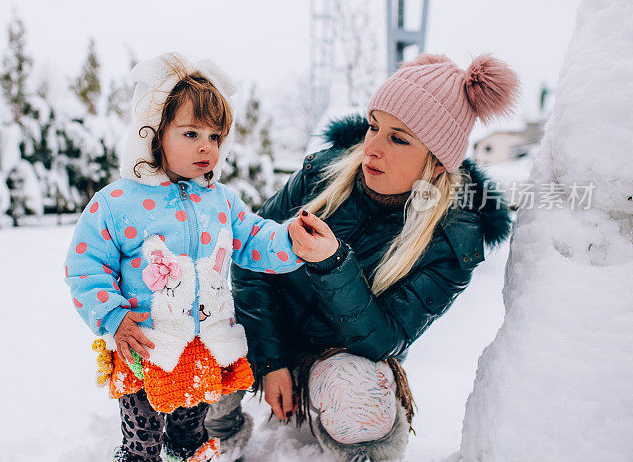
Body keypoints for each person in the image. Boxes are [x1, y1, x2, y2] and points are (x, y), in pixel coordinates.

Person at [205, 53, 518, 461]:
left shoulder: (453, 240)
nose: (372, 148)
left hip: (341, 362)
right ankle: (214, 438)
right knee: (199, 332)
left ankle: (349, 444)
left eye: (399, 138)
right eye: (374, 126)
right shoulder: (322, 173)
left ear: (438, 162)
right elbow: (250, 258)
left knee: (355, 393)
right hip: (269, 339)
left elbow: (385, 338)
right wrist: (271, 360)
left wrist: (332, 263)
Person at [63, 53, 304, 462]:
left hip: (200, 347)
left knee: (190, 433)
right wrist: (112, 316)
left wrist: (293, 241)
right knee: (144, 440)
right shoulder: (118, 202)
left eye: (214, 137)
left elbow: (255, 240)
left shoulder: (222, 201)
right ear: (155, 133)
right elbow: (86, 267)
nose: (206, 147)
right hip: (144, 346)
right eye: (191, 134)